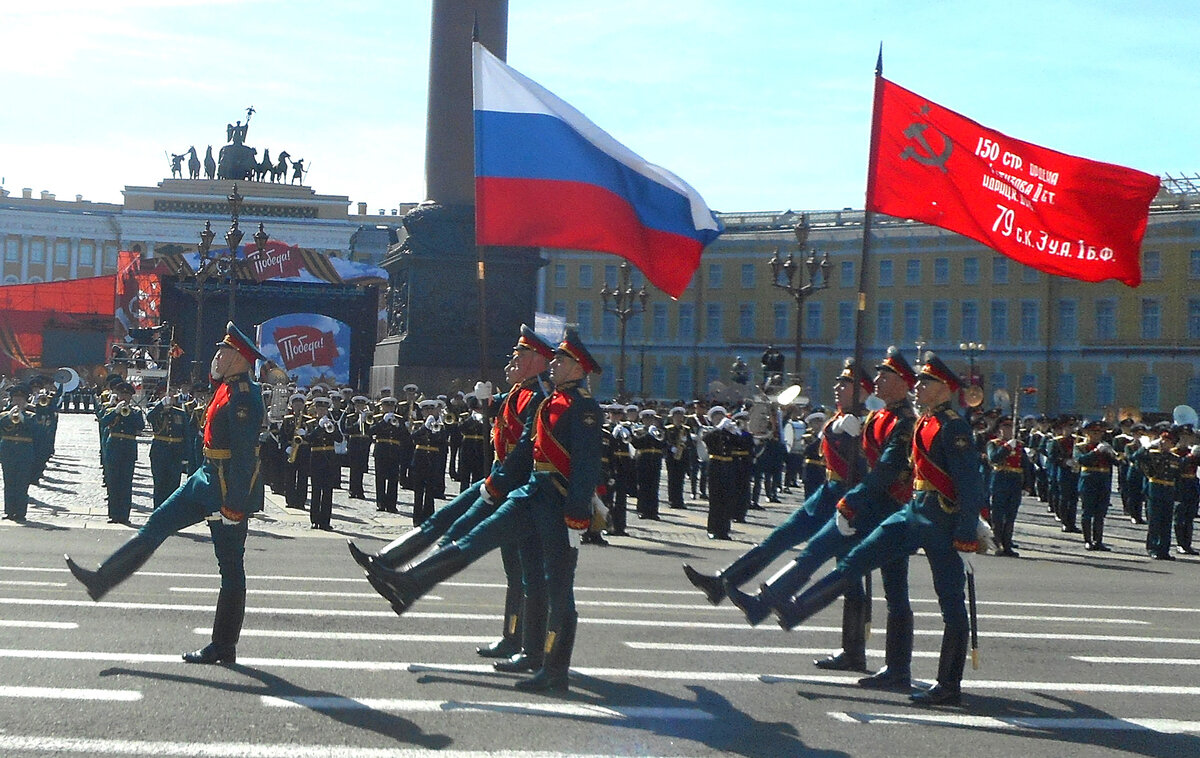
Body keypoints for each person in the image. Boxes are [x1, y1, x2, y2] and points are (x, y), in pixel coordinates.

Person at [363, 328, 603, 693]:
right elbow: (525, 450)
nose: (554, 364)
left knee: (557, 588)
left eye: (561, 360)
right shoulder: (548, 401)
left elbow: (586, 466)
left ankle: (554, 671)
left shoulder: (584, 408)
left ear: (577, 367)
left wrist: (577, 516)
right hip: (530, 492)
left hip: (558, 504)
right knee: (476, 540)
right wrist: (499, 483)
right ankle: (411, 582)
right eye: (554, 359)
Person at [771, 353, 984, 707]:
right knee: (859, 556)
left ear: (944, 389)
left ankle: (948, 684)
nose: (918, 387)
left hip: (942, 520)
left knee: (950, 602)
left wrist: (966, 534)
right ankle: (800, 608)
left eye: (926, 383)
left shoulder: (953, 427)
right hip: (914, 510)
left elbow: (969, 483)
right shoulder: (923, 422)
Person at [350, 324, 555, 666]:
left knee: (507, 563)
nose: (511, 362)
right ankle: (389, 562)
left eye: (518, 357)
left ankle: (515, 638)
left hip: (513, 488)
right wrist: (488, 401)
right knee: (445, 520)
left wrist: (496, 484)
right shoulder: (520, 392)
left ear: (536, 360)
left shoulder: (538, 397)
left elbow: (523, 452)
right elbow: (502, 420)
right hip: (499, 481)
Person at [66, 322, 267, 664]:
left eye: (224, 351)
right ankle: (102, 579)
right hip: (204, 477)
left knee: (230, 567)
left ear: (239, 358)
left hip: (224, 489)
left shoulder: (244, 397)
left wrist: (234, 507)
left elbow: (246, 458)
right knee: (156, 524)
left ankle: (223, 645)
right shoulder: (227, 389)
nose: (217, 355)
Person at [725, 347, 918, 684]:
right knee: (845, 568)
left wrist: (852, 500)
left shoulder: (904, 423)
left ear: (902, 382)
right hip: (869, 506)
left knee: (889, 587)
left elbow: (884, 472)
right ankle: (847, 647)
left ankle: (894, 666)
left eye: (886, 376)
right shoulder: (881, 416)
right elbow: (863, 461)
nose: (880, 381)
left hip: (886, 509)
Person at [683, 360, 868, 606]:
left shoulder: (866, 420)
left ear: (862, 390)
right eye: (838, 382)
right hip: (828, 491)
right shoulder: (841, 417)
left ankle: (850, 632)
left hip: (847, 495)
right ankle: (723, 583)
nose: (836, 387)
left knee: (844, 568)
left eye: (844, 384)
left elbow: (869, 463)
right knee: (779, 538)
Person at [100, 382, 145, 525]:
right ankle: (113, 514)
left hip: (128, 449)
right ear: (117, 396)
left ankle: (124, 515)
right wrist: (115, 411)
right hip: (113, 448)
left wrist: (128, 413)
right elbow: (103, 422)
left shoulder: (136, 412)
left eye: (127, 395)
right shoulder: (111, 410)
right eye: (122, 395)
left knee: (126, 483)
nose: (125, 397)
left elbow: (140, 426)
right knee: (113, 482)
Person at [1074, 419, 1120, 552]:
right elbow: (1081, 460)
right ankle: (1087, 540)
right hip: (1088, 480)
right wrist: (1096, 451)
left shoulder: (1105, 446)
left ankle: (1098, 540)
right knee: (1087, 511)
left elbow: (1117, 463)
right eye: (1094, 433)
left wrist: (1110, 453)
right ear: (1087, 433)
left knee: (1101, 512)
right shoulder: (1080, 447)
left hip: (1103, 480)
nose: (1097, 436)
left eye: (1100, 433)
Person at [986, 416, 1026, 557]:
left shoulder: (1019, 445)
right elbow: (993, 458)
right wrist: (1007, 447)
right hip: (1000, 480)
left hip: (1014, 481)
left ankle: (1007, 544)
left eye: (1011, 427)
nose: (1009, 429)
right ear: (999, 429)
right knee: (998, 514)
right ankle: (998, 544)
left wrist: (1027, 485)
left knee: (1011, 515)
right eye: (1006, 426)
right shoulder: (994, 444)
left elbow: (1025, 465)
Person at [146, 387, 191, 508]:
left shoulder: (180, 413)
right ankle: (157, 512)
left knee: (173, 484)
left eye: (171, 395)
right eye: (166, 395)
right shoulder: (155, 410)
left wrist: (186, 456)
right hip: (159, 452)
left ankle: (169, 513)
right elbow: (149, 418)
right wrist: (160, 406)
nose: (170, 397)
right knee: (160, 484)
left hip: (175, 453)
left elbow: (186, 436)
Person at [305, 396, 344, 530]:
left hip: (329, 458)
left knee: (328, 491)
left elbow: (339, 439)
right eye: (320, 409)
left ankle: (325, 521)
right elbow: (308, 439)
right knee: (316, 490)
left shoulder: (332, 422)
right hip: (316, 457)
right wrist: (319, 428)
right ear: (316, 409)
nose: (322, 411)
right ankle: (315, 520)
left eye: (324, 409)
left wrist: (330, 427)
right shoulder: (311, 423)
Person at [1, 384, 39, 522]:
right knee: (9, 482)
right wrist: (8, 415)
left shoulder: (31, 416)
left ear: (26, 401)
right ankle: (9, 511)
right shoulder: (4, 415)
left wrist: (21, 416)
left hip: (24, 453)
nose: (18, 402)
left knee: (22, 483)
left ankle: (21, 512)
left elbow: (36, 431)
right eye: (15, 399)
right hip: (7, 452)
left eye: (21, 400)